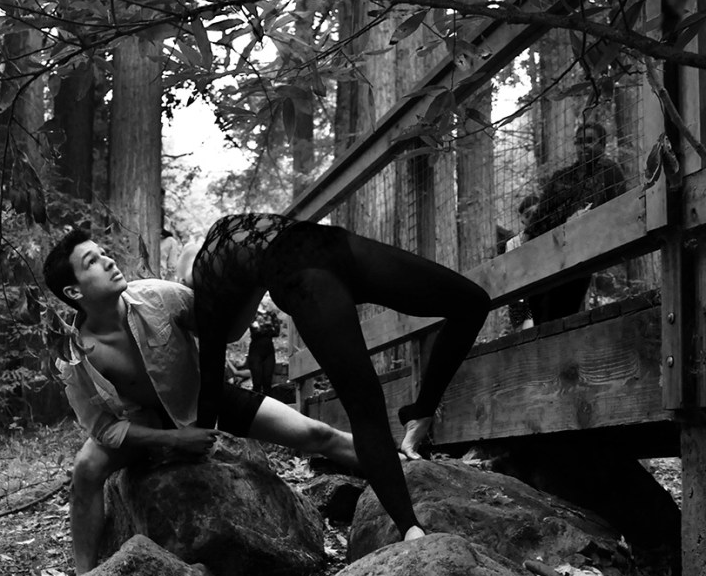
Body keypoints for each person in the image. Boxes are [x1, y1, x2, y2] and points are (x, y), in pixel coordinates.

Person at [43, 228, 362, 576]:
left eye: (104, 253)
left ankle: (395, 463)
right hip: (145, 422)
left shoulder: (159, 296)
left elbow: (226, 329)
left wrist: (258, 281)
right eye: (92, 261)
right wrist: (174, 439)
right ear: (74, 291)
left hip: (204, 398)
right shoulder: (74, 356)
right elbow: (103, 428)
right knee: (85, 470)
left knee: (316, 433)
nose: (108, 261)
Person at [179, 214, 491, 543]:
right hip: (333, 245)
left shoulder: (208, 278)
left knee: (365, 404)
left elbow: (210, 383)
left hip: (305, 276)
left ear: (188, 278)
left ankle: (411, 519)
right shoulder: (231, 230)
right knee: (473, 303)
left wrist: (196, 441)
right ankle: (412, 510)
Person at [525, 121, 626, 323]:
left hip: (579, 255)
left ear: (602, 144)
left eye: (590, 140)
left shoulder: (610, 172)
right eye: (579, 142)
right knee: (540, 314)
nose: (583, 146)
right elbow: (538, 218)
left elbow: (620, 211)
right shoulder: (560, 177)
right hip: (545, 254)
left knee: (561, 313)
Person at [502, 193, 540, 330]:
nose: (532, 218)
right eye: (528, 215)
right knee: (524, 334)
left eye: (535, 213)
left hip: (541, 293)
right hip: (520, 298)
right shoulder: (513, 243)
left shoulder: (550, 234)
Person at [246, 302, 280, 395]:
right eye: (266, 296)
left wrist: (262, 328)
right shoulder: (253, 314)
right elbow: (255, 331)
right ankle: (255, 402)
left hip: (269, 350)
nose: (268, 299)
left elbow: (276, 331)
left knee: (267, 381)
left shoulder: (272, 314)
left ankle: (267, 402)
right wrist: (269, 329)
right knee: (257, 382)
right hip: (256, 350)